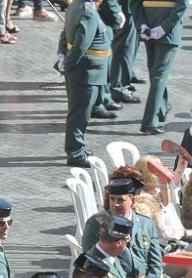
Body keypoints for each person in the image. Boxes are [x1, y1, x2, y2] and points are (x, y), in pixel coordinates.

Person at [62, 0, 110, 167]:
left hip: (85, 71)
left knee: (79, 112)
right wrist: (67, 65)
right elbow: (81, 45)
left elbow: (65, 34)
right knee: (80, 114)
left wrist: (63, 58)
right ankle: (75, 153)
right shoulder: (89, 12)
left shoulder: (76, 5)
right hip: (87, 71)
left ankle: (77, 147)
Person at [133, 0, 188, 134]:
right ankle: (150, 122)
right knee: (158, 76)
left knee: (155, 73)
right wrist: (164, 27)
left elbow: (133, 4)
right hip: (167, 32)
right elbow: (182, 5)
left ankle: (161, 108)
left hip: (149, 27)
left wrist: (143, 25)